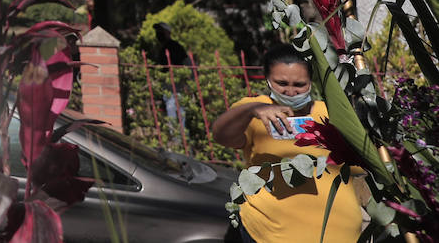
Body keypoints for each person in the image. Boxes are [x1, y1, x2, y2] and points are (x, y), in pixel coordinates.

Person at [210, 44, 363, 243]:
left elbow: (360, 169)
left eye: (299, 84)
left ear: (310, 81)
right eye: (281, 83)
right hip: (269, 235)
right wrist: (253, 109)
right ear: (268, 80)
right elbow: (221, 135)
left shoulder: (331, 113)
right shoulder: (252, 111)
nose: (290, 91)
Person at [154, 22, 190, 143]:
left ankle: (180, 143)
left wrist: (186, 81)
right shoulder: (162, 48)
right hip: (167, 87)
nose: (158, 34)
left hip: (176, 87)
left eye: (161, 31)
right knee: (172, 113)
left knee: (176, 113)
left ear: (168, 33)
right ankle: (178, 141)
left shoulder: (174, 46)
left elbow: (187, 64)